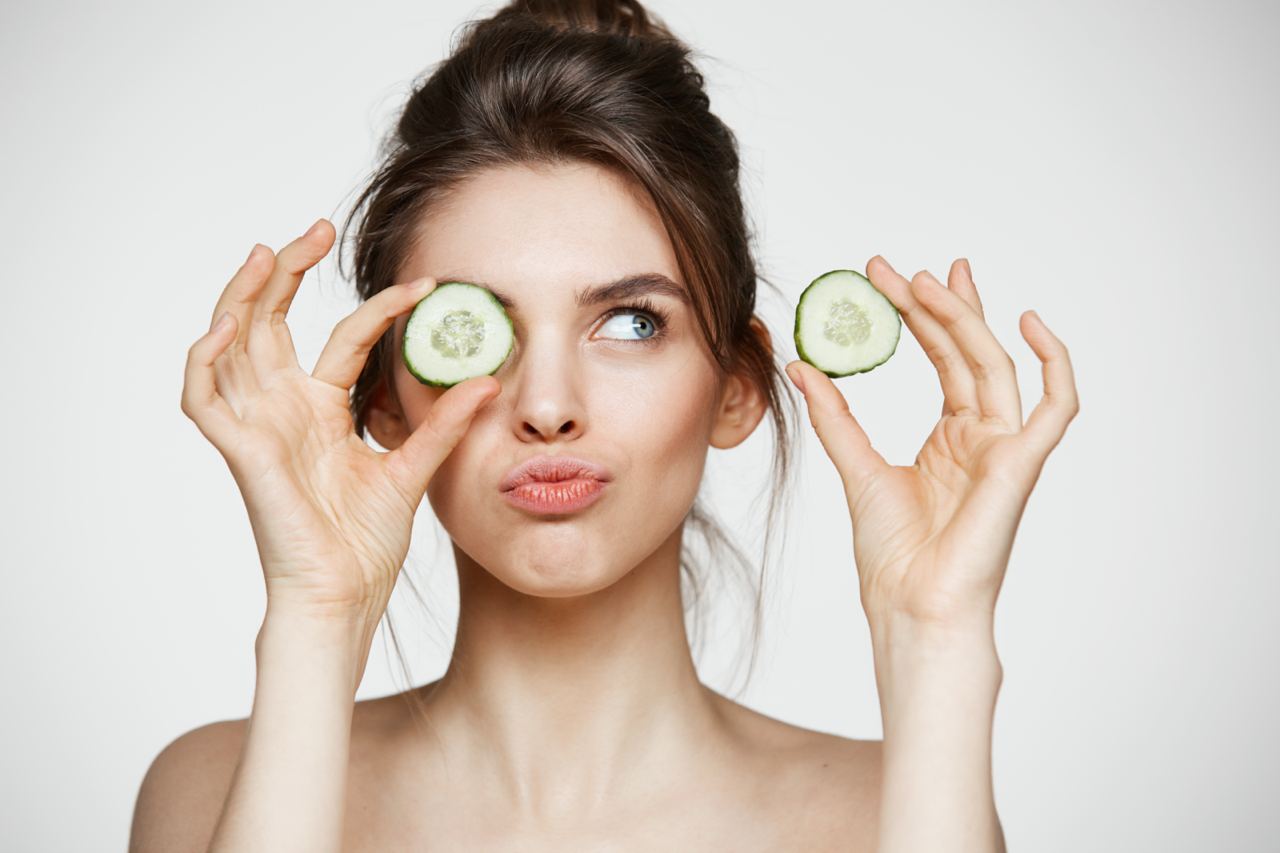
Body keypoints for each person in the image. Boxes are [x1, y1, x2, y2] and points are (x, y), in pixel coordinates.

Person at [130, 1, 1079, 849]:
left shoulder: (886, 815)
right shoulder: (210, 791)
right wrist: (316, 618)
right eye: (475, 329)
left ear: (737, 385)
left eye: (631, 322)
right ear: (385, 396)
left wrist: (935, 637)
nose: (548, 406)